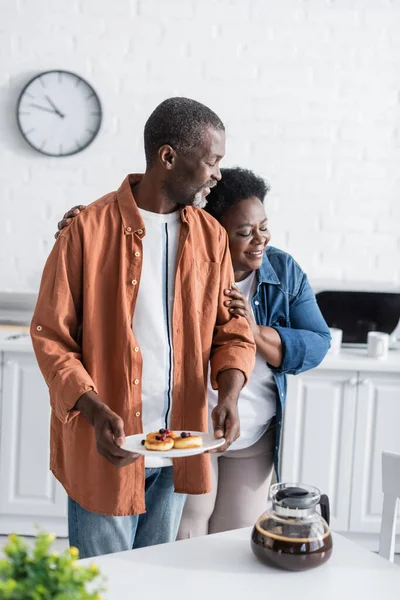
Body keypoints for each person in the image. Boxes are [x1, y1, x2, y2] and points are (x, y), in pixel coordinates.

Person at [31, 99, 256, 559]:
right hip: (107, 446)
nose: (217, 174)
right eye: (212, 161)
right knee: (105, 582)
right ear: (168, 157)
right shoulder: (86, 230)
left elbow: (231, 330)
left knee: (155, 579)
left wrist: (229, 396)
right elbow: (51, 337)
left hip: (180, 445)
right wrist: (94, 412)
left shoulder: (212, 236)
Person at [58, 167, 331, 538]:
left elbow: (316, 343)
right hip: (192, 426)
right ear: (211, 229)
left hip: (251, 429)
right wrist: (84, 229)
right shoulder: (176, 257)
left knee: (235, 540)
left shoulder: (281, 271)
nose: (259, 240)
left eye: (263, 227)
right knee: (186, 534)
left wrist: (255, 331)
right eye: (244, 232)